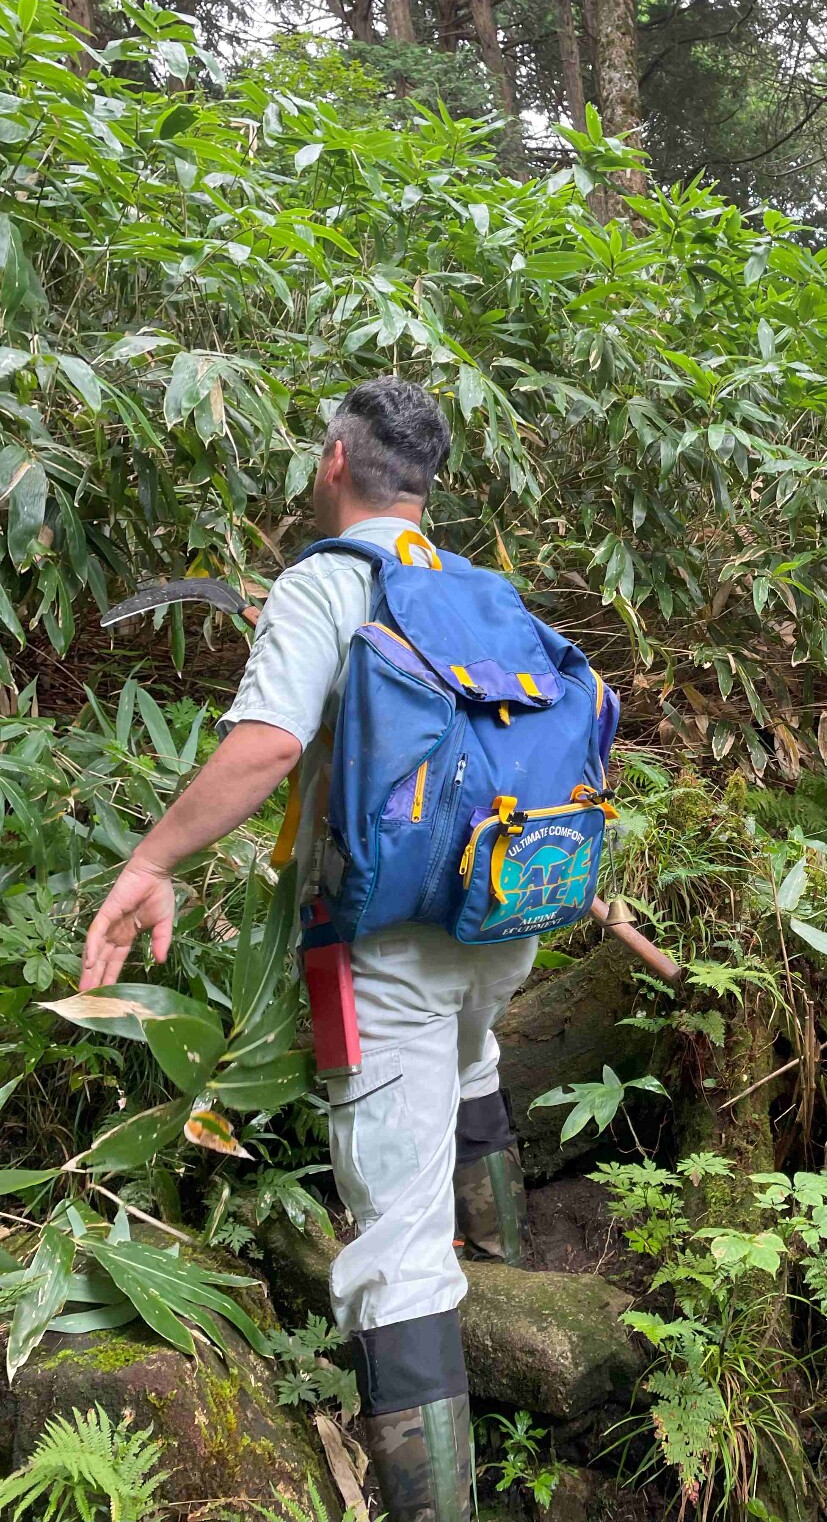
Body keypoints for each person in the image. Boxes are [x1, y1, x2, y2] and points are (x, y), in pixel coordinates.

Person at [81, 375, 534, 1522]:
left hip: (382, 941)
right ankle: (514, 1267)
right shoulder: (476, 587)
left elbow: (268, 746)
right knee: (473, 1055)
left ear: (334, 460)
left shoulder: (325, 582)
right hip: (503, 912)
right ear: (426, 484)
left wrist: (150, 860)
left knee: (395, 1244)